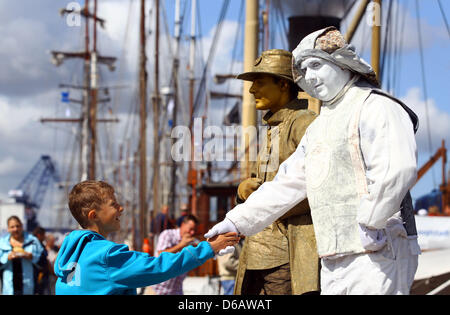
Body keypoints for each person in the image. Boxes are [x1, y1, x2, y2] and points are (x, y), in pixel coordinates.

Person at [206, 27, 421, 295]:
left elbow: (396, 170)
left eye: (317, 65)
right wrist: (236, 221)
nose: (310, 76)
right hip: (334, 253)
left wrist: (371, 221)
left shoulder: (377, 107)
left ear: (342, 63)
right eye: (305, 70)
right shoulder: (322, 126)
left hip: (379, 250)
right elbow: (289, 182)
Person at [54, 180, 239, 295]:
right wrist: (209, 248)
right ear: (93, 215)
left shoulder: (69, 255)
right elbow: (158, 268)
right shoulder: (106, 256)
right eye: (113, 205)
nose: (121, 209)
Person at [233, 49, 319, 295]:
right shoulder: (274, 127)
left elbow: (321, 186)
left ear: (283, 84)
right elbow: (259, 186)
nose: (252, 90)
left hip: (285, 255)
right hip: (257, 254)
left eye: (259, 83)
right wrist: (242, 192)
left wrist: (273, 206)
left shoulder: (304, 123)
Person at [152, 214, 203, 295]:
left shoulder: (192, 242)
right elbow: (161, 255)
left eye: (194, 230)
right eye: (190, 229)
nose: (192, 232)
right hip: (157, 290)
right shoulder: (167, 234)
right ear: (182, 225)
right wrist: (181, 245)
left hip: (176, 290)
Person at [0, 216, 44, 295]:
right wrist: (7, 258)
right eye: (12, 227)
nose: (15, 229)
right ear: (8, 229)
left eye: (18, 226)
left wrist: (31, 257)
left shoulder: (33, 241)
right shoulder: (2, 243)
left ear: (22, 226)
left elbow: (43, 262)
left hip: (29, 287)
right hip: (9, 288)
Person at [32, 226, 50, 295]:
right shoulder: (33, 245)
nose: (44, 237)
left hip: (44, 275)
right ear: (39, 235)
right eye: (43, 235)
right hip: (37, 275)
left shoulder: (41, 245)